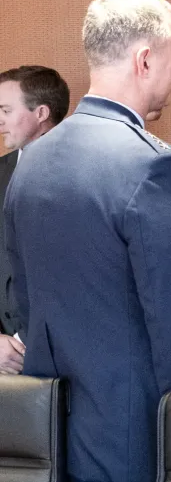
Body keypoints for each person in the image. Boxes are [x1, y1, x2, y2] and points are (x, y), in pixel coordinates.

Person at [3, 0, 171, 482]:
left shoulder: (29, 163)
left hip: (49, 435)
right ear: (145, 59)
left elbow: (24, 299)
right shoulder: (155, 167)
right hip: (134, 446)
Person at [0, 65, 69, 375]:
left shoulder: (87, 174)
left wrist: (28, 341)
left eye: (6, 110)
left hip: (71, 361)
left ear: (41, 113)